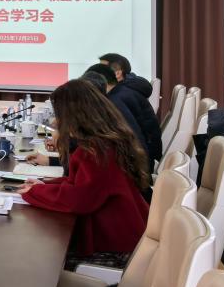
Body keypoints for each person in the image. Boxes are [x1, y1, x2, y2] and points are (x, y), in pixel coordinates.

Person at [18, 79, 150, 257]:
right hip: (126, 237)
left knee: (38, 253)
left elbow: (79, 200)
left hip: (114, 247)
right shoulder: (106, 141)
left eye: (60, 115)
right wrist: (43, 186)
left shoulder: (95, 152)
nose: (57, 122)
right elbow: (79, 184)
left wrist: (34, 193)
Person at [85, 62, 161, 164]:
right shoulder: (121, 93)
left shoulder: (115, 101)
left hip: (137, 164)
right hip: (142, 159)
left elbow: (130, 138)